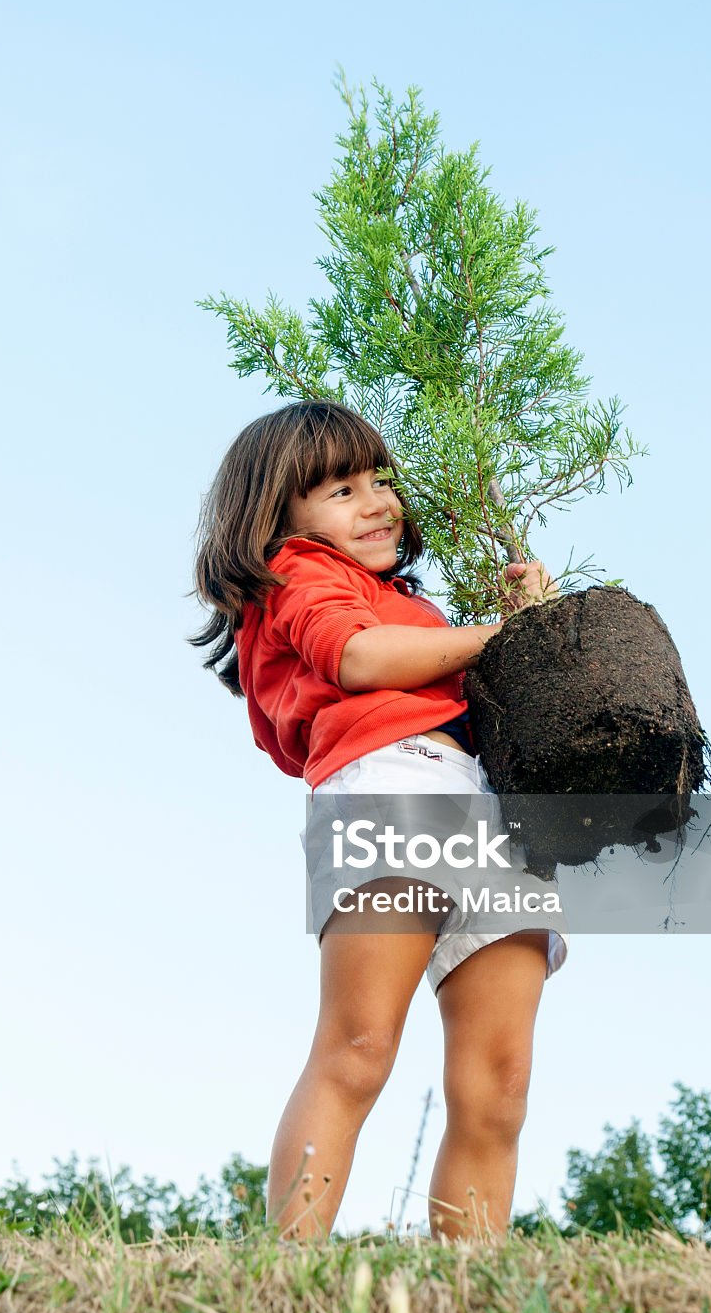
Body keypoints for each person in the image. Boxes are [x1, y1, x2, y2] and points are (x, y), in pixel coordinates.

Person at [190, 400, 567, 1243]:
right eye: (339, 490)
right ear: (276, 517)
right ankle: (289, 1267)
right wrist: (498, 635)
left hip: (489, 813)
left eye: (382, 481)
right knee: (359, 1048)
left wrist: (536, 621)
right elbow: (357, 658)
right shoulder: (297, 571)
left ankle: (472, 1289)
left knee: (499, 1084)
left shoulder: (413, 608)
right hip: (391, 785)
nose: (375, 503)